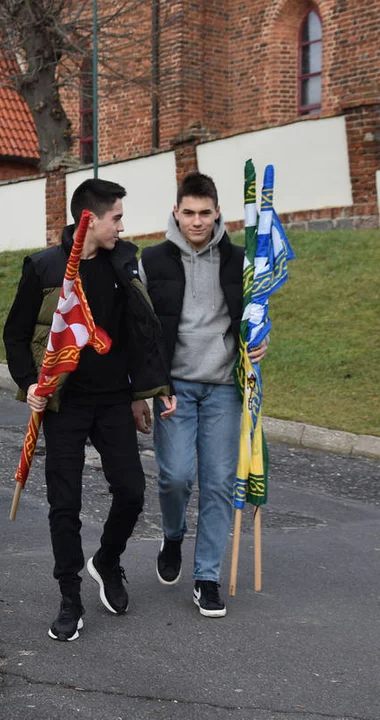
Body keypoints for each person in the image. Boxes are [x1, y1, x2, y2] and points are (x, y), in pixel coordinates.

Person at [3, 178, 176, 642]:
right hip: (65, 404)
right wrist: (29, 385)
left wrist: (142, 392)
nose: (122, 226)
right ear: (90, 220)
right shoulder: (45, 267)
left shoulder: (125, 263)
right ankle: (69, 597)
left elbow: (139, 331)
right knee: (66, 504)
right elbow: (15, 334)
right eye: (116, 217)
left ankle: (108, 559)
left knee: (133, 491)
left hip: (114, 401)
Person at [138, 172, 268, 618]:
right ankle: (173, 534)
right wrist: (150, 386)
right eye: (189, 213)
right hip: (173, 387)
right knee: (175, 476)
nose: (197, 222)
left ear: (218, 214)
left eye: (205, 213)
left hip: (224, 388)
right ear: (176, 213)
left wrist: (261, 341)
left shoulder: (239, 261)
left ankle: (207, 577)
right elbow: (142, 332)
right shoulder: (150, 260)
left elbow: (254, 314)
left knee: (218, 483)